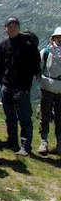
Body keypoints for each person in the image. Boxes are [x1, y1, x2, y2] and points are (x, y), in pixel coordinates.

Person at [0, 17, 40, 156]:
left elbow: (35, 65)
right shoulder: (3, 45)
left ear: (19, 28)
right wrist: (2, 81)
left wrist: (27, 84)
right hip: (7, 86)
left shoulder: (27, 44)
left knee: (24, 118)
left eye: (15, 26)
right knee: (10, 116)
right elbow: (0, 64)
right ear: (5, 29)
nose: (12, 28)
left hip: (22, 87)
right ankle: (12, 141)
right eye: (9, 26)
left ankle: (25, 146)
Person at [38, 27, 61, 155]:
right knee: (44, 114)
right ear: (53, 38)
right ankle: (44, 142)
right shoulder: (46, 52)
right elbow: (39, 69)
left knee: (60, 117)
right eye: (57, 38)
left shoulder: (46, 51)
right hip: (47, 87)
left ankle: (59, 144)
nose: (59, 40)